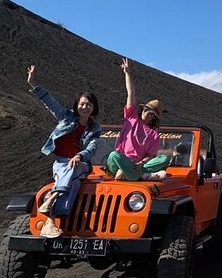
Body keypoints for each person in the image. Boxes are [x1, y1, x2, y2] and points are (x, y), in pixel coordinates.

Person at [27, 65, 101, 238]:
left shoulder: (95, 127)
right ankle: (51, 222)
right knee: (73, 183)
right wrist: (33, 84)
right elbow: (50, 102)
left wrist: (79, 155)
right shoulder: (66, 116)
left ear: (93, 107)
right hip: (61, 163)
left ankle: (51, 199)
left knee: (74, 167)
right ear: (77, 105)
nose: (85, 107)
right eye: (82, 104)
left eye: (89, 104)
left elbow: (93, 147)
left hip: (81, 164)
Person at [105, 58, 170, 181]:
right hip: (121, 160)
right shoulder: (132, 117)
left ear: (154, 118)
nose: (147, 113)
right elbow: (131, 93)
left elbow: (150, 155)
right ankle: (142, 176)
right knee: (113, 155)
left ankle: (128, 174)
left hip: (137, 165)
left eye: (151, 113)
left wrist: (140, 164)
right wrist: (127, 73)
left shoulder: (153, 134)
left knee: (164, 159)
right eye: (146, 110)